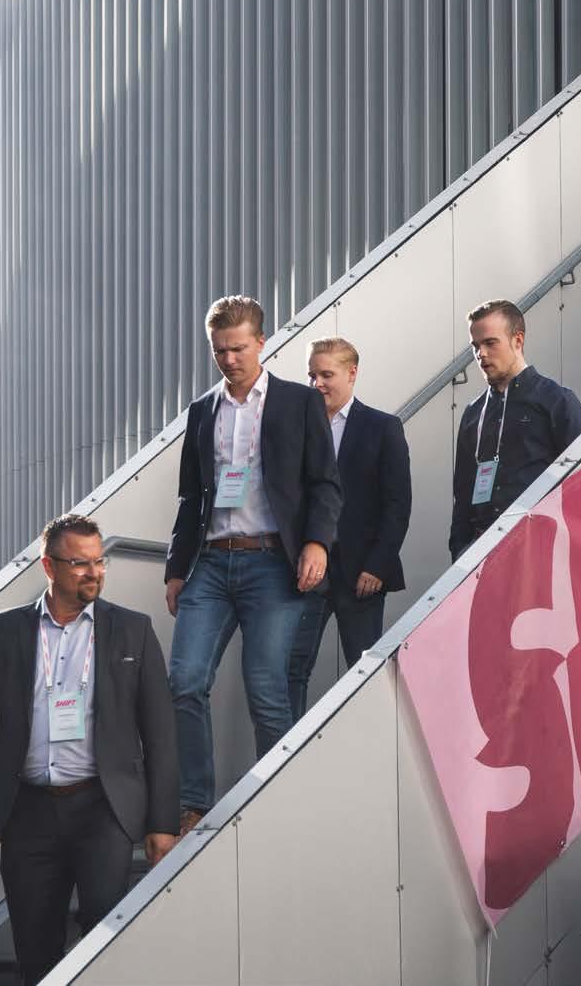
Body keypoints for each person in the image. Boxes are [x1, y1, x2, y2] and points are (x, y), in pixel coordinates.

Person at [0, 514, 179, 986]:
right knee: (35, 947)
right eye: (80, 564)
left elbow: (160, 733)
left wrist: (162, 823)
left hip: (103, 808)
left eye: (99, 561)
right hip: (27, 813)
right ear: (49, 566)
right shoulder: (5, 631)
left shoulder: (132, 629)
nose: (95, 573)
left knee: (104, 939)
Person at [164, 295, 341, 835]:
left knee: (266, 688)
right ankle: (194, 803)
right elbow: (190, 496)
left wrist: (317, 543)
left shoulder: (298, 402)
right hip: (210, 565)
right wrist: (176, 569)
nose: (230, 359)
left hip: (272, 563)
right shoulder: (202, 411)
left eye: (239, 348)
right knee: (184, 680)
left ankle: (276, 803)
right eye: (220, 350)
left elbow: (325, 483)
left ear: (262, 342)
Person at [287, 337, 412, 719]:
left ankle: (370, 743)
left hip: (361, 574)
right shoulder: (296, 429)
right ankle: (285, 749)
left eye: (326, 375)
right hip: (306, 573)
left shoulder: (382, 427)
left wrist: (377, 565)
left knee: (364, 672)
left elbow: (397, 504)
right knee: (290, 668)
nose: (317, 384)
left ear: (352, 373)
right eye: (311, 375)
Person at [448, 299, 581, 561]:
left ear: (518, 340)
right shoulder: (473, 413)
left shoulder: (556, 401)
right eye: (475, 346)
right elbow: (463, 494)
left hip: (542, 550)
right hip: (483, 556)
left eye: (490, 343)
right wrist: (460, 551)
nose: (481, 354)